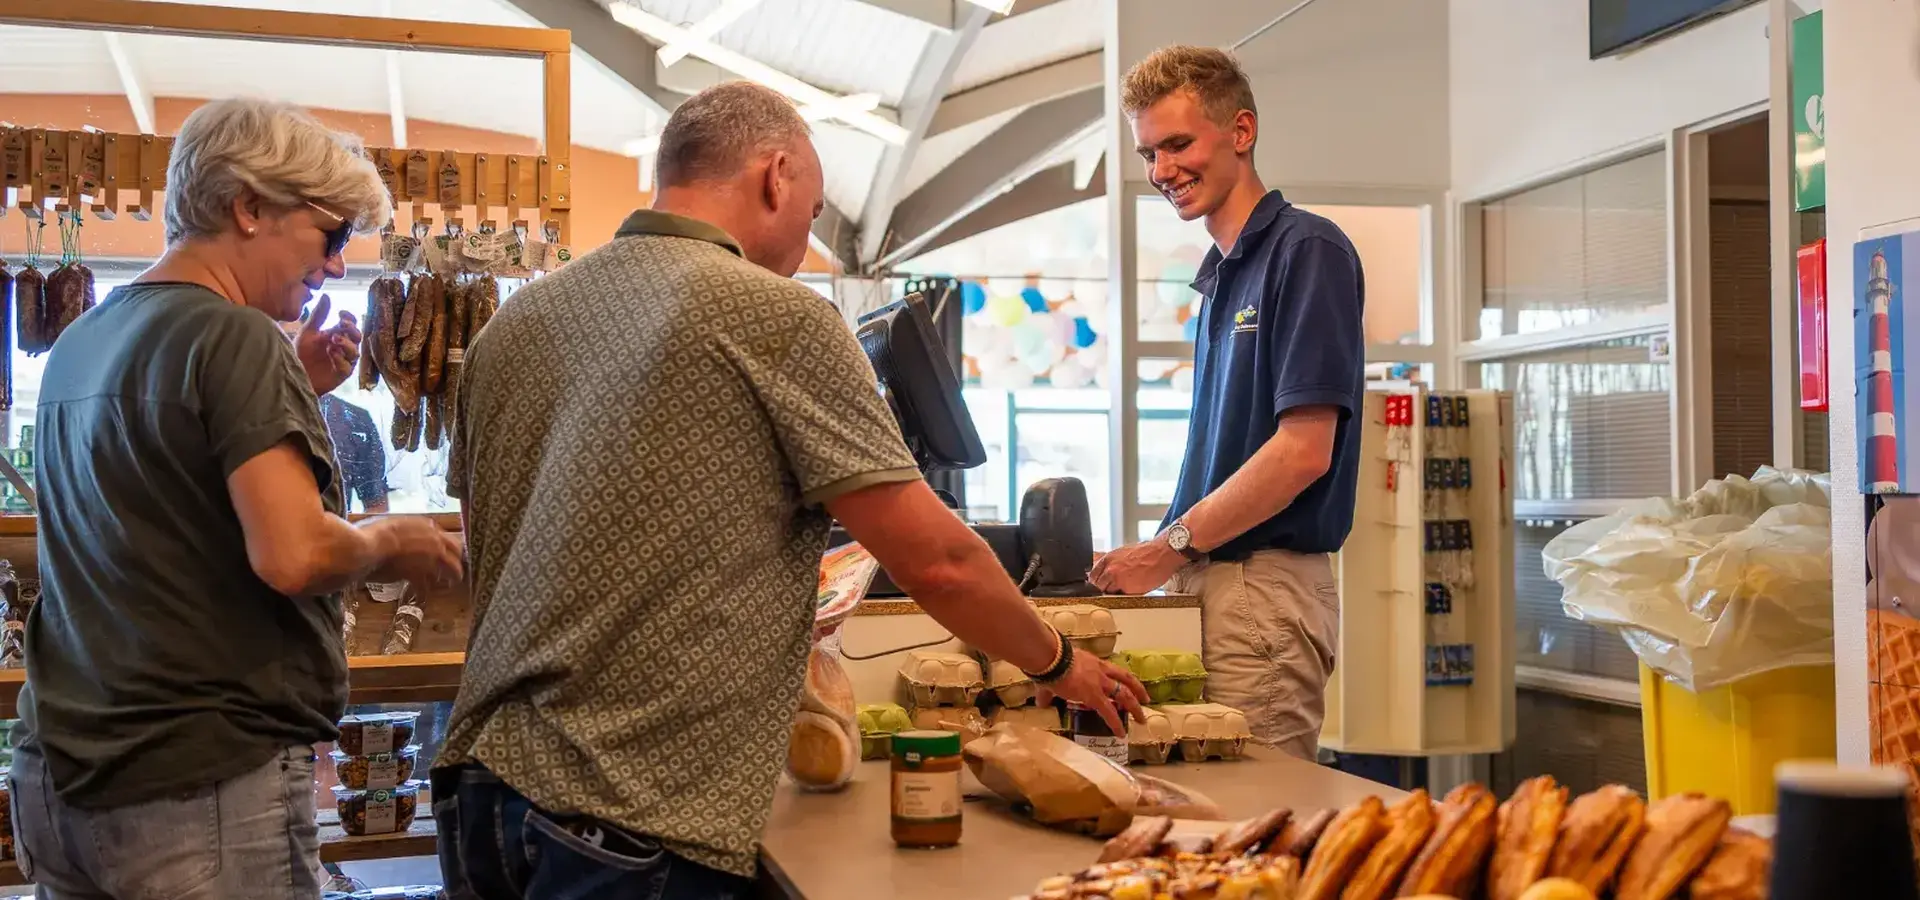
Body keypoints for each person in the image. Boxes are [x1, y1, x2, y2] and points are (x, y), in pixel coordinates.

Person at [434, 80, 1148, 897]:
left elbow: (498, 549)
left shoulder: (509, 329)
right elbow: (938, 559)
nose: (806, 244)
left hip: (480, 792)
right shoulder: (774, 314)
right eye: (812, 217)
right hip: (629, 809)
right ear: (776, 176)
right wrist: (1059, 662)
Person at [9, 97, 464, 899]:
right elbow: (295, 555)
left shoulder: (87, 338)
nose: (332, 266)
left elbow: (166, 510)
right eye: (330, 236)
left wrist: (300, 392)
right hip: (196, 784)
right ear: (249, 207)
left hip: (65, 775)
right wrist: (394, 539)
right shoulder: (236, 337)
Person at [1090, 46, 1366, 762]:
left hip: (1261, 588)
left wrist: (1171, 545)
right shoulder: (1221, 276)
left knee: (1254, 833)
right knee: (1202, 828)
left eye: (1178, 144)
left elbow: (1304, 451)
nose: (1162, 171)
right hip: (1211, 579)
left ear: (1240, 132)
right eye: (1149, 152)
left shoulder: (1306, 250)